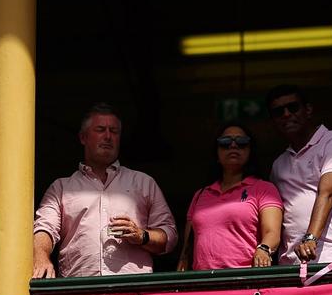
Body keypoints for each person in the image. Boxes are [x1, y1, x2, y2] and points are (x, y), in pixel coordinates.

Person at [33, 103, 176, 278]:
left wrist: (142, 236)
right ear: (83, 137)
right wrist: (41, 258)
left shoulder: (144, 182)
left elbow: (169, 235)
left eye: (114, 131)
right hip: (79, 290)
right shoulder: (61, 188)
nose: (108, 136)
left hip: (132, 290)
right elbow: (44, 229)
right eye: (100, 130)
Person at [267, 85, 332, 264]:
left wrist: (310, 239)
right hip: (290, 265)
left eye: (293, 107)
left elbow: (328, 192)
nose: (286, 114)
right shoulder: (278, 165)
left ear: (308, 110)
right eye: (278, 112)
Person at [177, 124, 282, 271]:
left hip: (245, 280)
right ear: (217, 154)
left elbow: (272, 232)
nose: (233, 145)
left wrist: (264, 249)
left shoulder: (264, 189)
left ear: (250, 151)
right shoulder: (201, 194)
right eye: (225, 142)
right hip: (202, 282)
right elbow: (186, 249)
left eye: (242, 142)